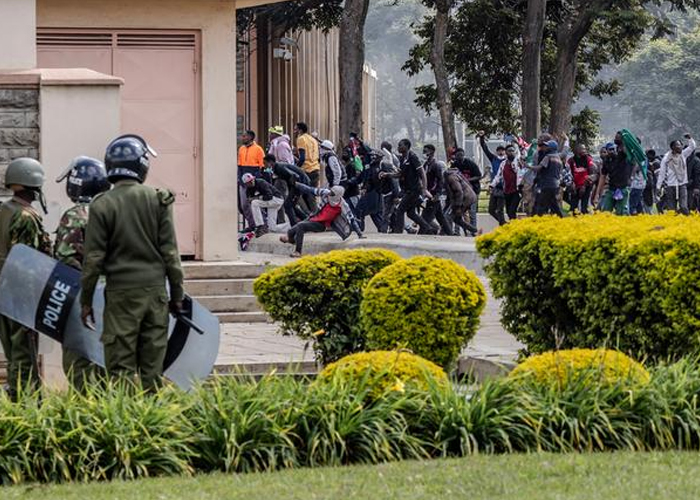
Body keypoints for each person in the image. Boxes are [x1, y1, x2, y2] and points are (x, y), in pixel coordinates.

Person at [81, 134, 184, 391]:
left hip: (120, 296)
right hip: (155, 294)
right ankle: (152, 424)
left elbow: (93, 259)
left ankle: (125, 425)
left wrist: (86, 301)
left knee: (120, 368)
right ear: (142, 165)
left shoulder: (102, 204)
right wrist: (178, 295)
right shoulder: (158, 200)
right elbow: (171, 254)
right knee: (153, 370)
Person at [54, 156, 110, 389]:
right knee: (103, 361)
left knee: (78, 362)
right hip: (109, 297)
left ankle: (84, 413)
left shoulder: (75, 215)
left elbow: (66, 260)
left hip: (82, 296)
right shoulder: (110, 212)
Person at [0, 158, 51, 399]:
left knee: (12, 351)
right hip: (20, 295)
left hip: (3, 290)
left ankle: (15, 397)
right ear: (34, 186)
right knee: (24, 353)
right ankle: (27, 401)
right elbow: (28, 263)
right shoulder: (26, 217)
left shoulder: (4, 209)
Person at [384, 139, 434, 234]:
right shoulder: (403, 159)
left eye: (400, 145)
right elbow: (400, 174)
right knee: (411, 213)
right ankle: (427, 228)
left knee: (400, 210)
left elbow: (422, 173)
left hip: (414, 190)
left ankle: (398, 232)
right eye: (398, 146)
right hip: (408, 190)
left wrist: (424, 189)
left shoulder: (412, 157)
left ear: (406, 146)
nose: (398, 147)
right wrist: (387, 174)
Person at [280, 186, 346, 257]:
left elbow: (351, 219)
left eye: (332, 193)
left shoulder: (342, 205)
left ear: (338, 195)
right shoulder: (326, 194)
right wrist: (298, 184)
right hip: (314, 217)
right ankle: (290, 238)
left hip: (322, 225)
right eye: (330, 191)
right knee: (298, 226)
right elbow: (311, 189)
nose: (330, 194)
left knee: (301, 226)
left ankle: (297, 251)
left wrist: (359, 232)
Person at [263, 154, 311, 226]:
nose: (265, 166)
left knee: (287, 205)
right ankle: (306, 221)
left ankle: (294, 224)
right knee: (291, 205)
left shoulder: (279, 167)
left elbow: (295, 176)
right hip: (298, 184)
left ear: (270, 162)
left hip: (300, 184)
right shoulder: (276, 168)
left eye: (265, 163)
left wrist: (295, 188)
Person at [656, 134, 696, 215]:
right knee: (671, 209)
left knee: (683, 207)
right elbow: (662, 173)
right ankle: (673, 225)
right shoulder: (666, 158)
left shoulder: (683, 155)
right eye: (678, 145)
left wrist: (690, 138)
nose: (681, 147)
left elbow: (692, 147)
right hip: (671, 186)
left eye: (681, 145)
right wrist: (658, 187)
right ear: (673, 147)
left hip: (682, 185)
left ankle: (688, 224)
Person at [597, 132, 635, 215]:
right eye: (609, 150)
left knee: (621, 213)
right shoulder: (606, 161)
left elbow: (627, 150)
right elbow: (602, 177)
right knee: (605, 213)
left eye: (613, 149)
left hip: (622, 189)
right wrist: (598, 193)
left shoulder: (622, 156)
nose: (612, 151)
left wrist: (622, 140)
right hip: (611, 189)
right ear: (606, 151)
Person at [421, 144, 452, 235]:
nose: (424, 153)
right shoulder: (426, 164)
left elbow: (440, 181)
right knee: (440, 217)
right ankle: (450, 234)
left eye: (425, 151)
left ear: (432, 152)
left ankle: (422, 234)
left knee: (425, 218)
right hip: (429, 195)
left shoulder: (436, 165)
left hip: (433, 196)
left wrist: (437, 194)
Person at [477, 131, 507, 225]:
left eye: (502, 150)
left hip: (504, 187)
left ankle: (503, 226)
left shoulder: (508, 160)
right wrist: (482, 138)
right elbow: (485, 149)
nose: (501, 152)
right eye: (499, 150)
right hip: (495, 186)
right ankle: (503, 223)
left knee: (500, 209)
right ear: (497, 151)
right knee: (491, 210)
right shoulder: (494, 159)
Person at [238, 130, 265, 230]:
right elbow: (239, 166)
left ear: (250, 137)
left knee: (255, 204)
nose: (243, 138)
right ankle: (251, 225)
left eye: (244, 136)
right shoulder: (241, 149)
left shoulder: (259, 149)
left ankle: (262, 225)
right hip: (243, 180)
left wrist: (255, 179)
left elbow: (262, 167)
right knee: (244, 205)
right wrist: (240, 179)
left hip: (254, 181)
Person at [529, 139, 563, 217]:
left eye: (547, 146)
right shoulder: (558, 159)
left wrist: (528, 166)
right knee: (554, 205)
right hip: (555, 185)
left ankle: (536, 222)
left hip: (546, 184)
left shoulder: (548, 157)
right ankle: (562, 220)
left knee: (540, 205)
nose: (545, 148)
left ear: (551, 148)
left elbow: (539, 168)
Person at [444, 163, 479, 236]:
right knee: (457, 219)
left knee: (448, 217)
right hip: (466, 197)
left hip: (466, 198)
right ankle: (474, 230)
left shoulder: (451, 178)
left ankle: (448, 234)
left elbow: (459, 192)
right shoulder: (449, 177)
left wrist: (458, 206)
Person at [452, 148, 482, 229]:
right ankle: (456, 231)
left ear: (464, 155)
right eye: (458, 155)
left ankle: (473, 230)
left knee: (472, 212)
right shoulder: (454, 165)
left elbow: (479, 176)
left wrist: (466, 180)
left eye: (461, 155)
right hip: (460, 192)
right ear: (455, 156)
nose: (460, 157)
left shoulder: (471, 164)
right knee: (458, 211)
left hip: (473, 191)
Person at [489, 144, 520, 222]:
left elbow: (520, 173)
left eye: (513, 151)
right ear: (506, 152)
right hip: (506, 191)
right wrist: (492, 185)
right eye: (509, 151)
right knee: (508, 212)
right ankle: (511, 227)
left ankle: (515, 227)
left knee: (512, 211)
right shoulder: (503, 164)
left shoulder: (517, 162)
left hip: (516, 191)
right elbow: (498, 176)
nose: (511, 152)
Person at [567, 144, 596, 214]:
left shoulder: (588, 159)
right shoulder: (571, 161)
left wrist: (584, 186)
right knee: (573, 208)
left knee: (584, 207)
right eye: (582, 149)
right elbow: (568, 173)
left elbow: (592, 173)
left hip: (586, 185)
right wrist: (572, 183)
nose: (584, 151)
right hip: (575, 186)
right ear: (576, 151)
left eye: (585, 149)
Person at [378, 145, 401, 233]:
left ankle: (383, 230)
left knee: (386, 213)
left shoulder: (385, 164)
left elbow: (393, 181)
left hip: (390, 193)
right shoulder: (387, 162)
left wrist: (395, 195)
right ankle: (395, 229)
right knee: (392, 212)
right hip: (388, 192)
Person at [294, 122, 321, 189]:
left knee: (302, 192)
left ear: (300, 130)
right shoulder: (313, 139)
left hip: (307, 170)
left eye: (295, 129)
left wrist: (295, 168)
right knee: (312, 193)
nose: (294, 132)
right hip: (316, 169)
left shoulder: (301, 139)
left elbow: (302, 158)